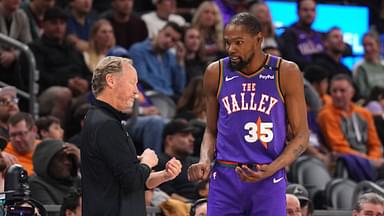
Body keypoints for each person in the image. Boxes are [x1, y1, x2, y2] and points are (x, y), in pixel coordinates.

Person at [188, 12, 309, 215]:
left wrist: (272, 168)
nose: (231, 49)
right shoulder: (215, 72)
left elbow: (302, 136)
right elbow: (211, 130)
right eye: (227, 43)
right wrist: (204, 160)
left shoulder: (285, 72)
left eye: (239, 42)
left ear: (259, 39)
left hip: (268, 175)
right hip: (226, 176)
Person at [81, 56, 182, 216]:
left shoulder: (99, 118)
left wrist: (164, 175)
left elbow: (130, 179)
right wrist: (147, 162)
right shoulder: (106, 124)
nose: (136, 92)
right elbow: (132, 180)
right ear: (111, 81)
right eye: (132, 83)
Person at [29, 139, 80, 205]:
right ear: (46, 162)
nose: (67, 162)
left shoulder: (77, 181)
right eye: (60, 158)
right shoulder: (36, 183)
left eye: (69, 157)